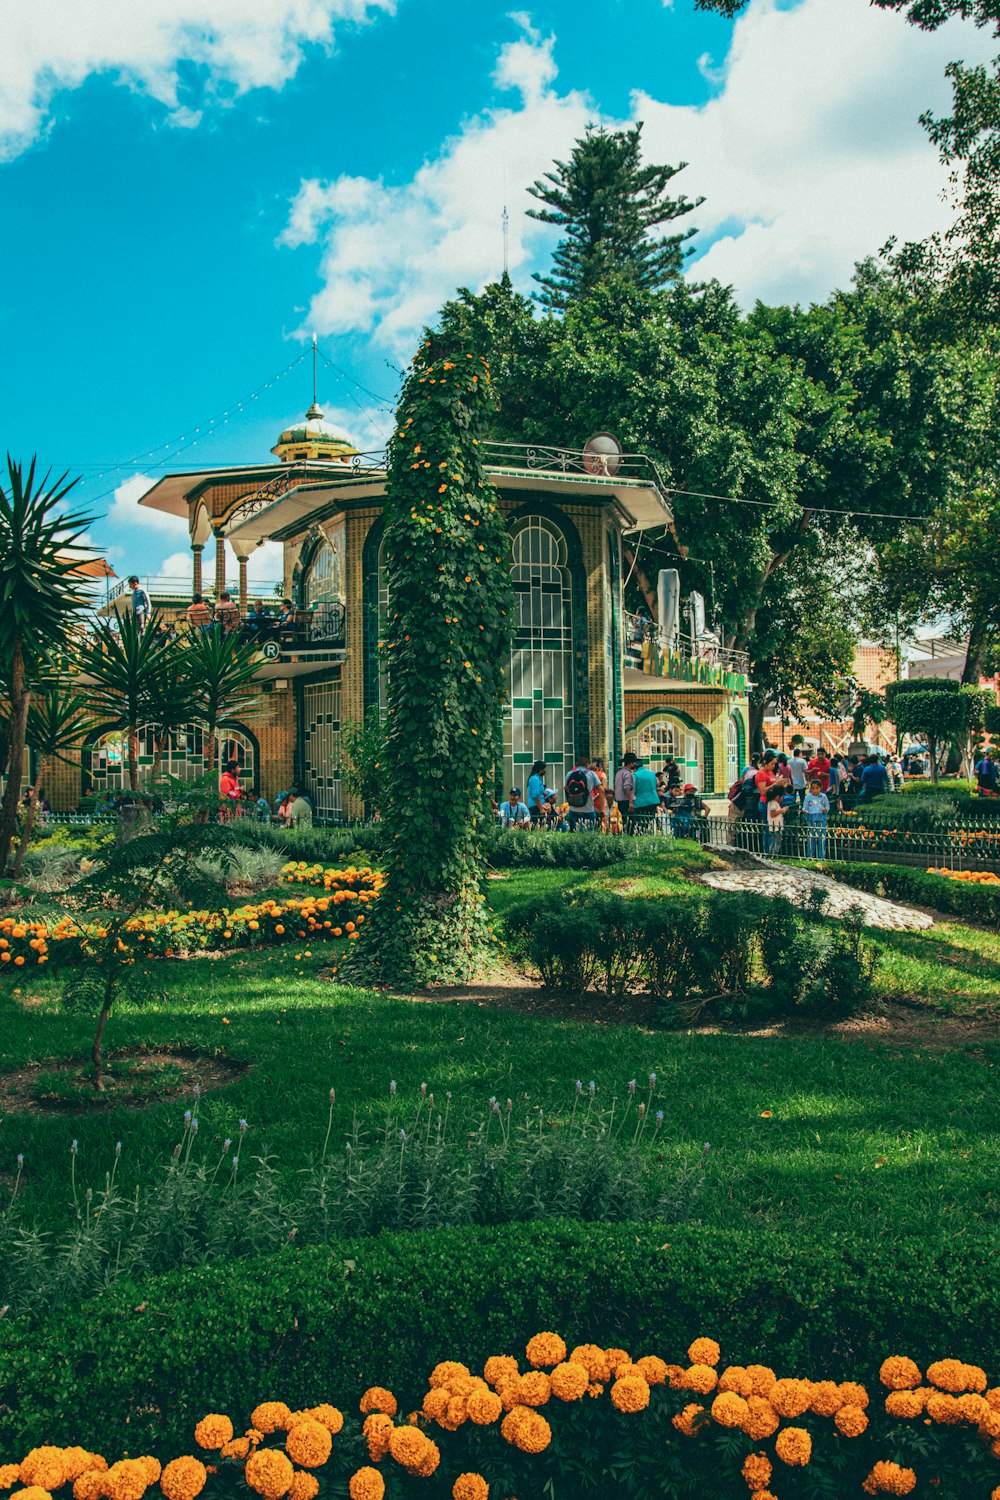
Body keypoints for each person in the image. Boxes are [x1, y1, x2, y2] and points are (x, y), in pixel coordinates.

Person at [564, 754, 600, 831]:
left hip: (573, 809)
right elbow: (602, 790)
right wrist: (603, 808)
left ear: (576, 764)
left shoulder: (569, 774)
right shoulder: (591, 774)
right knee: (589, 835)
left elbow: (565, 788)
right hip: (588, 809)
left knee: (573, 834)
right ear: (587, 764)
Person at [802, 777, 830, 858]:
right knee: (811, 838)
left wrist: (825, 810)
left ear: (820, 788)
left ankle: (822, 856)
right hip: (811, 818)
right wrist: (805, 810)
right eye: (813, 788)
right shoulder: (808, 797)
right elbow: (804, 807)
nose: (815, 790)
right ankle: (810, 855)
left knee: (821, 838)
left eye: (817, 788)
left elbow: (827, 806)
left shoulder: (823, 796)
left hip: (821, 818)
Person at [631, 758, 661, 832]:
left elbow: (632, 790)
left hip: (640, 802)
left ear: (635, 767)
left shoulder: (635, 775)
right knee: (649, 820)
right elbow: (655, 786)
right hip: (653, 801)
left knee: (641, 823)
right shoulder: (652, 773)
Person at [613, 752, 638, 827]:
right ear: (631, 763)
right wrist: (630, 802)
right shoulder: (628, 774)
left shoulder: (619, 773)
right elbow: (627, 788)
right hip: (626, 801)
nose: (634, 765)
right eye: (634, 763)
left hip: (619, 801)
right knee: (630, 824)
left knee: (624, 822)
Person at [765, 782, 786, 856]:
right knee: (776, 842)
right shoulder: (774, 803)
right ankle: (774, 854)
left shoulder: (771, 802)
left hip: (776, 826)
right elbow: (772, 813)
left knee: (775, 841)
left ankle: (773, 854)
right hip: (776, 826)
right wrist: (782, 810)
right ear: (778, 796)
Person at [526, 760, 547, 826]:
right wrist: (541, 808)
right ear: (540, 769)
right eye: (544, 769)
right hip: (536, 807)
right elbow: (535, 795)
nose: (544, 771)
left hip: (537, 805)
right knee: (539, 826)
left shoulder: (535, 778)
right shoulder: (535, 779)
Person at [590, 757, 609, 830]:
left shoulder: (589, 774)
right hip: (599, 802)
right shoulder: (602, 775)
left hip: (589, 802)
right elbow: (602, 791)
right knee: (600, 823)